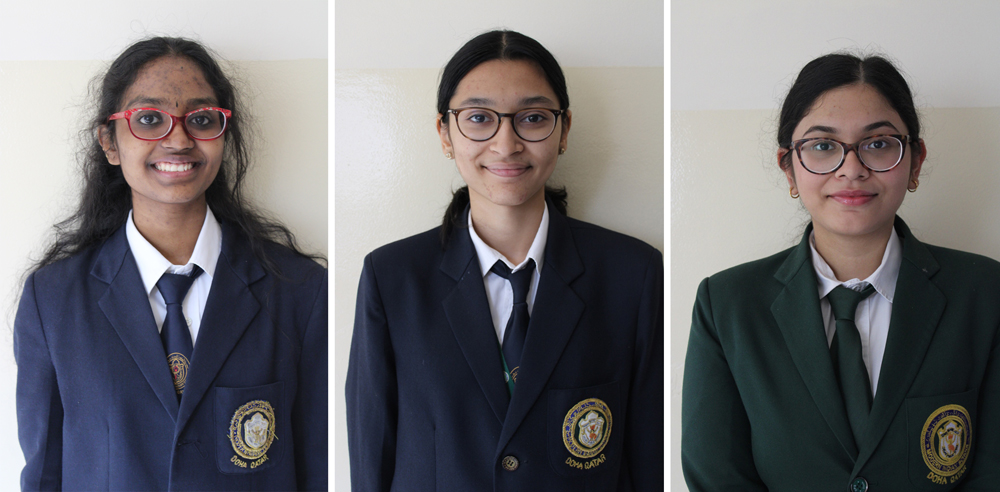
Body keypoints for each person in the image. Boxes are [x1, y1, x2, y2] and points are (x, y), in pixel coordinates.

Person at [346, 30, 663, 491]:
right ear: (445, 133)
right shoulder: (392, 278)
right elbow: (372, 453)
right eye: (479, 118)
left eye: (532, 118)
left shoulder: (632, 275)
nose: (506, 143)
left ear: (565, 129)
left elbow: (647, 458)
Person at [13, 37, 327, 491]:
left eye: (201, 120)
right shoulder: (53, 299)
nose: (178, 140)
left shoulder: (299, 290)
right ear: (110, 142)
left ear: (224, 135)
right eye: (148, 119)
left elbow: (315, 467)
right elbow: (44, 474)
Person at [682, 53, 1000, 491]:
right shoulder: (728, 305)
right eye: (823, 146)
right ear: (789, 168)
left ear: (915, 161)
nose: (852, 169)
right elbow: (717, 476)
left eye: (879, 143)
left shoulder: (985, 293)